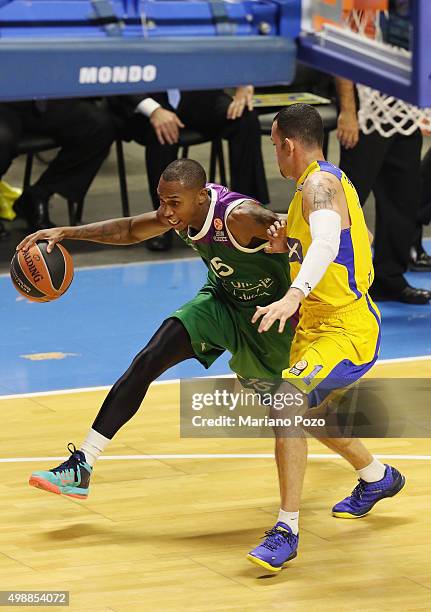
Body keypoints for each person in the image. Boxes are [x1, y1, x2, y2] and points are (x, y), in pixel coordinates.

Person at [18, 158, 295, 539]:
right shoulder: (179, 212)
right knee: (149, 358)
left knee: (301, 416)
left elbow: (308, 232)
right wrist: (67, 232)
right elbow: (129, 230)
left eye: (173, 203)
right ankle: (82, 464)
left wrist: (289, 247)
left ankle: (372, 472)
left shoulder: (240, 216)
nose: (165, 212)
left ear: (201, 196)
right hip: (222, 302)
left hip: (271, 319)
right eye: (161, 201)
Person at [247, 104, 405, 572]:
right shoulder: (322, 186)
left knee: (286, 404)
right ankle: (378, 477)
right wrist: (287, 247)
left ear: (287, 145)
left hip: (344, 327)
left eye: (274, 144)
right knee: (312, 416)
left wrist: (294, 293)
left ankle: (286, 529)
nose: (274, 152)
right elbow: (362, 237)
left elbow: (328, 245)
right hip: (318, 326)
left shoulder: (317, 186)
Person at [111, 87, 269, 251]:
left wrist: (244, 84)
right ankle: (164, 223)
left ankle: (247, 216)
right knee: (161, 135)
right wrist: (154, 110)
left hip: (195, 94)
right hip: (149, 100)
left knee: (245, 116)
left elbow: (232, 60)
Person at [335, 77, 431, 302]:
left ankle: (389, 278)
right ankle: (322, 279)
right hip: (365, 110)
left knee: (403, 197)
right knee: (347, 201)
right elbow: (345, 64)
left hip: (404, 111)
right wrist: (348, 111)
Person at [0, 99, 116, 232]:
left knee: (98, 126)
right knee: (2, 139)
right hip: (4, 103)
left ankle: (38, 195)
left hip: (46, 98)